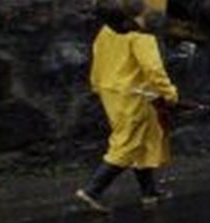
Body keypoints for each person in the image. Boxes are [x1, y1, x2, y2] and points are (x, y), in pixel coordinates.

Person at [74, 24, 180, 213]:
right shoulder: (141, 36)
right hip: (135, 94)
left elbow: (98, 58)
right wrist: (169, 93)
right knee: (128, 142)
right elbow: (153, 69)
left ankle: (149, 192)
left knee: (143, 139)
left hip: (112, 92)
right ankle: (92, 191)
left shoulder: (107, 30)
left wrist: (96, 84)